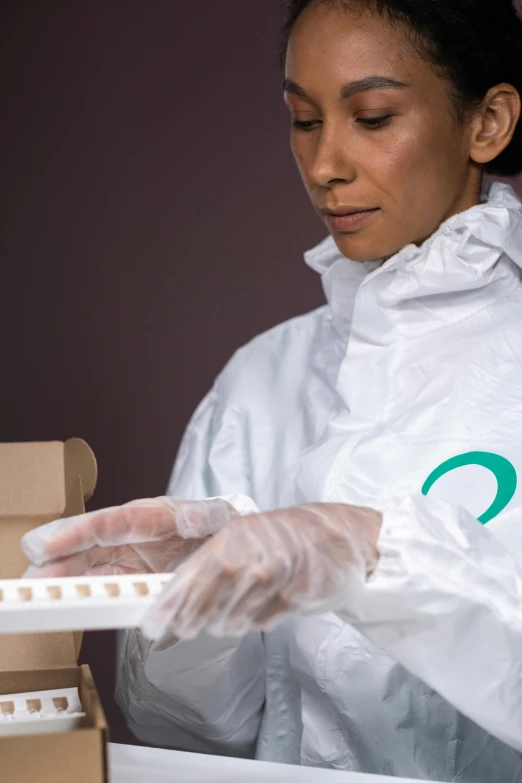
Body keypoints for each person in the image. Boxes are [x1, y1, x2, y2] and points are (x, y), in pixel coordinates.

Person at [21, 0, 522, 780]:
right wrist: (193, 620)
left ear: (487, 121)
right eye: (303, 120)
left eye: (373, 116)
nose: (325, 164)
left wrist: (378, 552)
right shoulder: (261, 381)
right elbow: (184, 739)